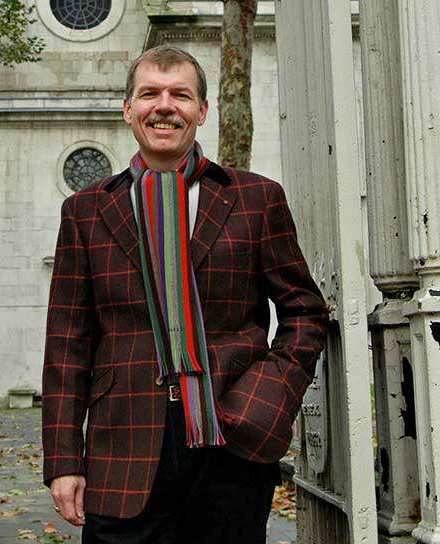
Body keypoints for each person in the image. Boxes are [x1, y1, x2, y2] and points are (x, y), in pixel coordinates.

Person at [42, 46, 328, 544]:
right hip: (122, 445)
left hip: (231, 438)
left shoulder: (257, 198)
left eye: (181, 95)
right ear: (128, 108)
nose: (164, 106)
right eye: (149, 93)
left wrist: (269, 396)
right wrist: (63, 460)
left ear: (201, 110)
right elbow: (67, 343)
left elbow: (305, 311)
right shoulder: (85, 212)